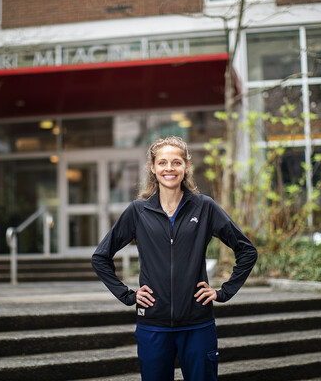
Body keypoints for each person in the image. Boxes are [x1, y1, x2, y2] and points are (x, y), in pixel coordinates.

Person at [91, 136, 257, 381]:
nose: (169, 168)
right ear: (153, 167)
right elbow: (100, 257)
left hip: (198, 323)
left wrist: (223, 292)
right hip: (153, 324)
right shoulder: (139, 211)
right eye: (163, 163)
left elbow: (247, 251)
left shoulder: (204, 207)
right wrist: (128, 295)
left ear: (186, 166)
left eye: (176, 162)